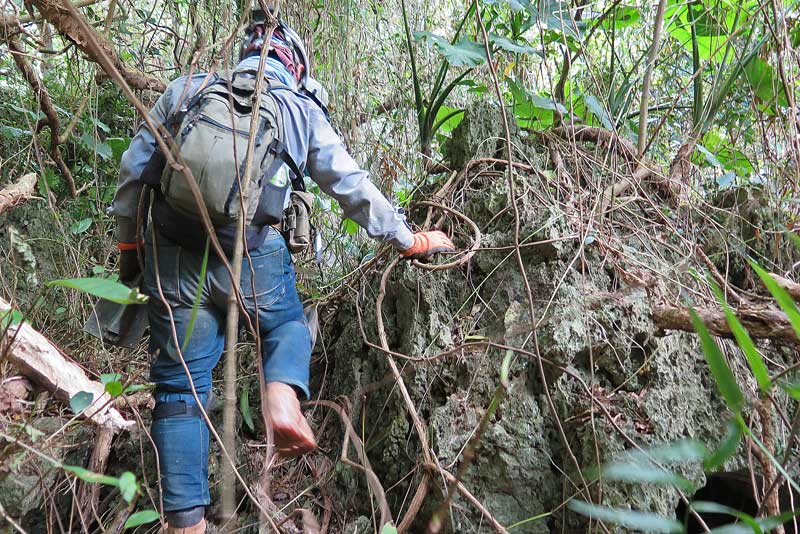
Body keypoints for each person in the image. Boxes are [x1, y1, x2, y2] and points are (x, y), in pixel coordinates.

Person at [108, 9, 455, 534]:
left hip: (174, 257)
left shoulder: (186, 91)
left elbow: (134, 174)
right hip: (253, 259)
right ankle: (281, 390)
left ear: (243, 56)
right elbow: (351, 186)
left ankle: (186, 524)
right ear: (293, 66)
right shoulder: (299, 109)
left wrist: (130, 249)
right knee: (287, 324)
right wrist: (410, 238)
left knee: (180, 388)